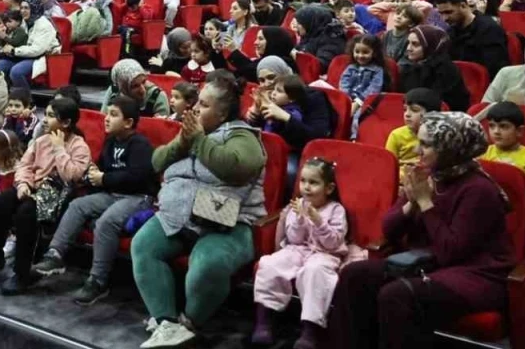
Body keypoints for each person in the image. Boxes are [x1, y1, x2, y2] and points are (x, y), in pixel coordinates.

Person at [330, 112, 514, 349]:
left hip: (476, 274)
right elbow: (389, 229)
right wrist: (411, 203)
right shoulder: (426, 176)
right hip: (427, 262)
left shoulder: (479, 190)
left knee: (396, 295)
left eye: (426, 144)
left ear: (451, 148)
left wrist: (426, 203)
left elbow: (451, 251)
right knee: (354, 275)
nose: (417, 150)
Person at [131, 73, 267, 348]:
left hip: (227, 221)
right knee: (144, 246)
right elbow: (156, 162)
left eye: (204, 105)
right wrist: (183, 142)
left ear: (222, 112)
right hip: (179, 216)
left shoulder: (244, 136)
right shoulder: (192, 133)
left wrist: (200, 140)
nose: (195, 109)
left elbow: (235, 167)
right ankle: (166, 323)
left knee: (208, 264)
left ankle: (189, 323)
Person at [33, 95, 157, 305]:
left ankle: (98, 281)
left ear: (128, 122)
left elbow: (138, 176)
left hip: (137, 197)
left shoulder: (140, 144)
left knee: (106, 222)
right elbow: (103, 169)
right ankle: (55, 254)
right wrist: (94, 172)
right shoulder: (110, 142)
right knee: (78, 205)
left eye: (113, 115)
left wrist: (104, 178)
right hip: (111, 193)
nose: (106, 118)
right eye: (107, 113)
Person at [0, 97, 91, 295]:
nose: (45, 120)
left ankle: (22, 274)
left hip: (56, 196)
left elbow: (71, 176)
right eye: (45, 115)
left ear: (66, 122)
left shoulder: (79, 146)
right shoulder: (40, 140)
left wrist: (59, 148)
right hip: (32, 187)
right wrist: (23, 183)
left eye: (50, 116)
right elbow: (25, 165)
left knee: (25, 214)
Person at [252, 158, 359, 349]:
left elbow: (333, 242)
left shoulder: (336, 210)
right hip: (298, 249)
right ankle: (264, 321)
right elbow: (293, 239)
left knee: (315, 271)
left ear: (329, 188)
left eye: (314, 182)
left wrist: (318, 221)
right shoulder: (297, 205)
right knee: (269, 264)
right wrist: (300, 219)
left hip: (325, 254)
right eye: (303, 181)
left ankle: (310, 330)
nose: (306, 187)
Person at [481, 101, 525, 246]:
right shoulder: (484, 154)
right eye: (492, 126)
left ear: (519, 131)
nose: (496, 131)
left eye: (504, 126)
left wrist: (515, 198)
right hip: (489, 207)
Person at [0, 0, 62, 93]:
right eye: (21, 8)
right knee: (0, 65)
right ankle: (5, 95)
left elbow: (37, 50)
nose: (23, 11)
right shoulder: (26, 21)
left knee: (16, 72)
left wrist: (13, 51)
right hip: (24, 54)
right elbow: (20, 41)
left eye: (27, 8)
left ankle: (26, 99)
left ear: (35, 8)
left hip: (41, 56)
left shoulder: (44, 25)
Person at [435, 0, 509, 77]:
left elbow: (494, 68)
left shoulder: (489, 29)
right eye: (441, 13)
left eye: (448, 12)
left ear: (463, 6)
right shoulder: (450, 32)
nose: (444, 18)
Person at [399, 24, 470, 114]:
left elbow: (437, 104)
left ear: (430, 46)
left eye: (415, 44)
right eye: (408, 43)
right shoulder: (410, 68)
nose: (408, 48)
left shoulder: (446, 70)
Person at [382, 88, 437, 171]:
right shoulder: (396, 135)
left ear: (431, 114)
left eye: (414, 110)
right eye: (405, 109)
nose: (407, 114)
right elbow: (387, 167)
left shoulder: (439, 135)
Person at [101, 58, 171, 117]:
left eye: (144, 82)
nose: (142, 90)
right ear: (123, 87)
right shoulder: (114, 91)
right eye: (135, 86)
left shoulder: (157, 96)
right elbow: (103, 121)